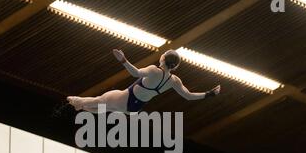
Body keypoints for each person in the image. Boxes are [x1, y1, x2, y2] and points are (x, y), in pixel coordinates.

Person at [67, 49, 221, 113]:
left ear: (162, 58)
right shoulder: (174, 81)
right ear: (175, 66)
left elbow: (136, 73)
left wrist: (123, 60)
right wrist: (209, 94)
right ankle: (79, 106)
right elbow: (189, 96)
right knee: (102, 108)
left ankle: (76, 101)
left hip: (125, 98)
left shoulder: (154, 70)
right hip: (134, 109)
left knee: (99, 100)